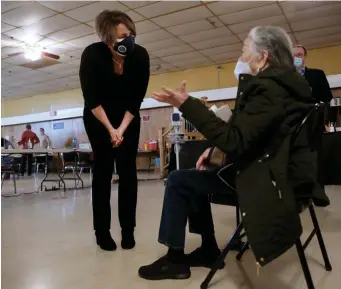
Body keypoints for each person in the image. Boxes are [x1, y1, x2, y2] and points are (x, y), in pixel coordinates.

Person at [138, 26, 329, 281]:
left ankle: (176, 260)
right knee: (195, 176)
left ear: (262, 58)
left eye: (245, 50)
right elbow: (255, 137)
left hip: (266, 183)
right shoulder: (289, 87)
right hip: (281, 175)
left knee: (178, 180)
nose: (241, 56)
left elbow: (236, 141)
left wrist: (187, 105)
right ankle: (207, 250)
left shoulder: (268, 90)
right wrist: (214, 149)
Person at [79, 10, 150, 251]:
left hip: (128, 118)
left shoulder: (140, 56)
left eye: (131, 34)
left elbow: (136, 100)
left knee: (128, 171)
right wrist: (110, 129)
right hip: (98, 118)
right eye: (122, 36)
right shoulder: (92, 55)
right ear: (108, 39)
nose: (129, 40)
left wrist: (121, 129)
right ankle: (102, 232)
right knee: (103, 171)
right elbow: (91, 99)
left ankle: (128, 230)